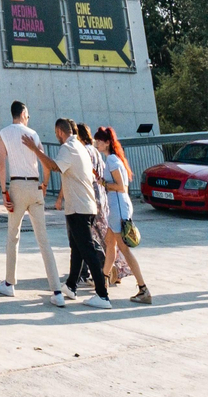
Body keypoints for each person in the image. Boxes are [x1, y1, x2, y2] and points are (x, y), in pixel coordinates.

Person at [0, 101, 67, 305]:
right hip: (35, 187)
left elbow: (1, 165)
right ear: (24, 113)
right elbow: (45, 163)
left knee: (13, 235)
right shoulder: (33, 135)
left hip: (16, 185)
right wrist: (44, 184)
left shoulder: (3, 133)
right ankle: (57, 291)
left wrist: (3, 191)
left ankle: (9, 283)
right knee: (43, 240)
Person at [53, 118, 111, 308]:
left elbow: (55, 167)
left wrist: (36, 150)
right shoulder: (82, 148)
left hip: (79, 208)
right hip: (87, 205)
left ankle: (102, 295)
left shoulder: (68, 148)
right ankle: (71, 285)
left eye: (56, 134)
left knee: (88, 251)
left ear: (60, 132)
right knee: (77, 249)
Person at [93, 126, 151, 305]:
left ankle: (143, 288)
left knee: (123, 249)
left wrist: (104, 183)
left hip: (118, 208)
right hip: (119, 207)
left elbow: (120, 186)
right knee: (110, 244)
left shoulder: (111, 160)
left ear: (107, 142)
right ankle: (103, 282)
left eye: (99, 141)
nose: (96, 144)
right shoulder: (115, 159)